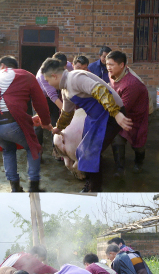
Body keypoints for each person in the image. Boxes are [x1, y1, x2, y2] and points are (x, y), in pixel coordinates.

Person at [40, 57, 133, 192]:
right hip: (95, 117)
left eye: (47, 81)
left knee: (90, 152)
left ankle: (95, 189)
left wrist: (116, 114)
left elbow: (100, 90)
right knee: (83, 150)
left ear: (54, 76)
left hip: (110, 114)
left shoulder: (75, 78)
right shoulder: (66, 89)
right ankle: (91, 183)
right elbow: (67, 112)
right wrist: (58, 128)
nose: (48, 84)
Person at [0, 56, 52, 192]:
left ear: (4, 67)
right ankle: (34, 186)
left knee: (8, 149)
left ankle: (15, 187)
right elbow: (40, 103)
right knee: (33, 146)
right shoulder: (26, 75)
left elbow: (2, 102)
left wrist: (29, 119)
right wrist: (46, 122)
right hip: (9, 123)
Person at [106, 50, 150, 176]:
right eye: (107, 64)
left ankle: (139, 162)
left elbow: (122, 109)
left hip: (137, 114)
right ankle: (120, 169)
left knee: (138, 143)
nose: (108, 67)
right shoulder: (112, 74)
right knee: (117, 138)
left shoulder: (131, 84)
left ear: (122, 65)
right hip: (122, 111)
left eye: (111, 64)